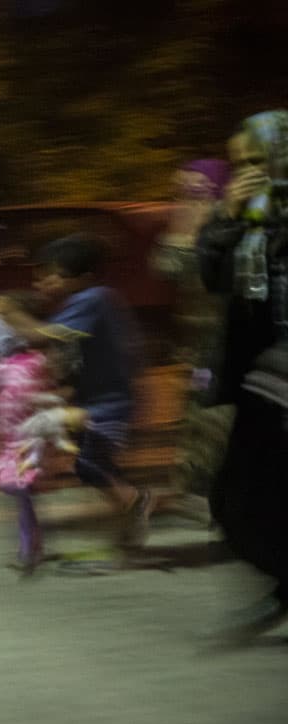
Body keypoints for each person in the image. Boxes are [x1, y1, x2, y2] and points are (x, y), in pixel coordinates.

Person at [4, 234, 152, 568]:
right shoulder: (87, 302)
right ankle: (130, 519)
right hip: (98, 399)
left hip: (111, 402)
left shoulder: (93, 299)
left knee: (90, 464)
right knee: (91, 466)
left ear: (83, 277)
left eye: (55, 274)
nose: (46, 281)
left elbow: (44, 336)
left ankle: (134, 503)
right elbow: (71, 361)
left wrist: (9, 313)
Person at [196, 109, 288, 642]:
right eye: (239, 165)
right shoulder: (243, 214)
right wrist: (228, 217)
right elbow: (213, 278)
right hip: (264, 377)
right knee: (232, 499)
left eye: (257, 161)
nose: (247, 173)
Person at [0, 291, 86, 575]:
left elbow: (55, 385)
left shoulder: (37, 361)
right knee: (17, 491)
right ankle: (34, 543)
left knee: (22, 490)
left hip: (31, 439)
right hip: (7, 440)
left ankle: (28, 550)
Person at [149, 159, 233, 511]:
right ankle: (194, 487)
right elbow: (163, 268)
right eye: (182, 190)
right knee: (197, 414)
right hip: (201, 347)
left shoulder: (234, 229)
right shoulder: (191, 227)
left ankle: (215, 493)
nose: (187, 198)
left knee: (217, 418)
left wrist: (190, 238)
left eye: (197, 190)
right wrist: (179, 233)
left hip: (231, 344)